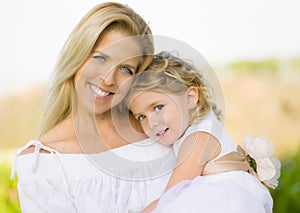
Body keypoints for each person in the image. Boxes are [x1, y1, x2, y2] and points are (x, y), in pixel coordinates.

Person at [11, 3, 175, 213]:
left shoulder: (159, 128)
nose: (108, 79)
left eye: (126, 69)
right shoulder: (44, 164)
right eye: (100, 58)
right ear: (77, 55)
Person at [125, 51, 277, 213]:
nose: (152, 123)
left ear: (190, 98)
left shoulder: (199, 138)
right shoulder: (196, 128)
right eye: (142, 117)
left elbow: (171, 194)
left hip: (225, 202)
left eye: (158, 107)